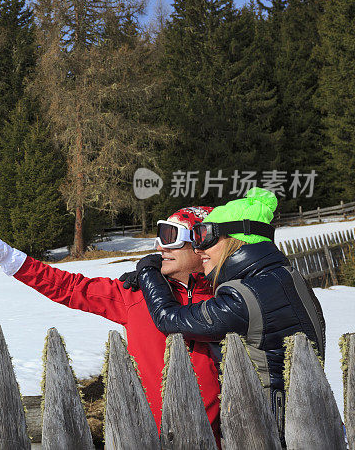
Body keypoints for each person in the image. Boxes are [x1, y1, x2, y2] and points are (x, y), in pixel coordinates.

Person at [0, 207, 222, 446]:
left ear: (202, 242)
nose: (161, 246)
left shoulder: (229, 299)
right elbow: (70, 287)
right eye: (160, 236)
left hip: (220, 439)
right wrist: (9, 257)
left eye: (172, 236)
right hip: (147, 437)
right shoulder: (134, 296)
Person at [125, 187, 325, 441]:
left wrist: (148, 273)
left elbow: (169, 319)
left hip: (266, 430)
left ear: (236, 240)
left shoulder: (244, 296)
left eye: (205, 238)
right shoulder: (287, 278)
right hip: (306, 416)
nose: (198, 250)